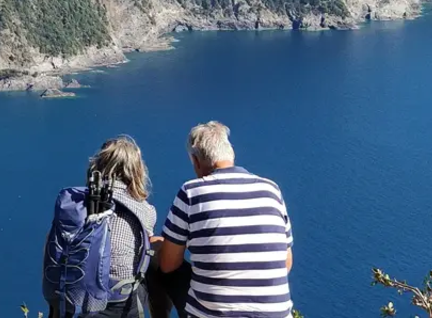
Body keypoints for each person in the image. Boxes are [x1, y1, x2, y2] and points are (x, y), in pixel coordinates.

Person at [158, 121, 294, 318]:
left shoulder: (191, 192)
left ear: (196, 161)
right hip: (277, 314)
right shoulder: (271, 190)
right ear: (231, 155)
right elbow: (285, 263)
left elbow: (168, 264)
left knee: (158, 260)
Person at [44, 136, 172, 318]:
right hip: (118, 301)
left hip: (72, 296)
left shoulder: (75, 204)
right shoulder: (144, 210)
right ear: (137, 170)